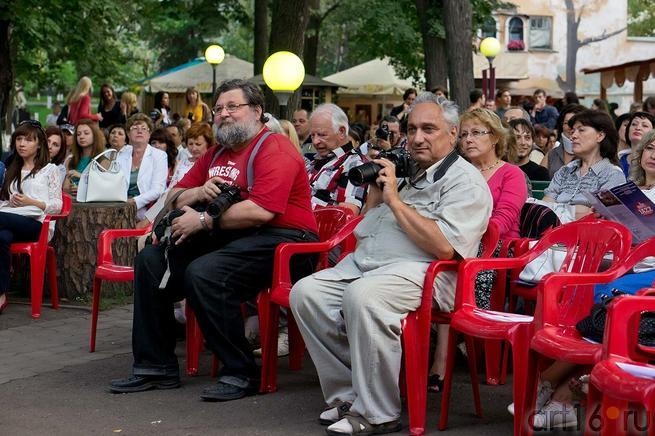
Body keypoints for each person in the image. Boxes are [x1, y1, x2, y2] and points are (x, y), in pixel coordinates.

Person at [290, 93, 492, 434]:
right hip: (369, 263)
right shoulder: (410, 172)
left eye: (429, 129)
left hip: (428, 273)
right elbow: (368, 223)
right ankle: (347, 395)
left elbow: (444, 248)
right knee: (306, 293)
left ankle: (377, 413)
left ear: (453, 133)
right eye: (411, 129)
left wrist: (396, 201)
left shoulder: (464, 181)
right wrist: (375, 195)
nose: (416, 138)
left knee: (364, 296)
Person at [108, 79, 318, 401]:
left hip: (286, 241)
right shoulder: (216, 154)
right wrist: (198, 193)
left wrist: (205, 219)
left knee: (205, 272)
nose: (223, 114)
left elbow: (261, 210)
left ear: (258, 112)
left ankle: (241, 372)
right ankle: (155, 366)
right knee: (151, 261)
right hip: (233, 234)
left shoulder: (275, 148)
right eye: (218, 108)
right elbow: (174, 196)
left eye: (233, 106)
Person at [0, 121, 62, 313]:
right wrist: (10, 203)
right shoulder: (11, 169)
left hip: (37, 225)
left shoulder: (50, 170)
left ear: (39, 144)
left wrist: (30, 202)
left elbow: (57, 206)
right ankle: (1, 294)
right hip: (11, 219)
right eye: (19, 139)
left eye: (28, 140)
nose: (22, 144)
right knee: (1, 238)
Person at [543, 109, 626, 221]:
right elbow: (543, 208)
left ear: (600, 136)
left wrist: (556, 209)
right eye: (572, 131)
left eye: (581, 130)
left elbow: (596, 218)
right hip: (552, 233)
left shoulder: (612, 174)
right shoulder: (565, 171)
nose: (573, 136)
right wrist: (577, 210)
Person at [138, 122, 213, 229]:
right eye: (190, 144)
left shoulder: (210, 162)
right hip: (173, 196)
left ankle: (147, 228)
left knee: (165, 204)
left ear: (208, 144)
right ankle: (146, 227)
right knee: (165, 199)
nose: (194, 148)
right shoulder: (184, 161)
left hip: (192, 202)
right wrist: (165, 196)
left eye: (198, 144)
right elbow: (172, 185)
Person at [306, 104, 368, 214]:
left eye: (322, 135)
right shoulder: (314, 161)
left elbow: (346, 214)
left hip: (314, 229)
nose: (315, 141)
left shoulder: (354, 165)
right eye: (312, 135)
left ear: (342, 132)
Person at [113, 114, 168, 221]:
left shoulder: (159, 155)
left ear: (149, 134)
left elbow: (158, 190)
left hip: (148, 211)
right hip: (120, 207)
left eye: (144, 128)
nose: (139, 131)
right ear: (128, 134)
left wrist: (134, 201)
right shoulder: (121, 154)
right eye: (135, 128)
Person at [540, 104, 586, 179]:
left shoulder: (591, 155)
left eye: (575, 123)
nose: (570, 127)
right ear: (562, 126)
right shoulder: (551, 155)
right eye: (567, 123)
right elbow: (539, 182)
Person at [63, 119, 106, 195]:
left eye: (86, 133)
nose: (81, 137)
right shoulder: (70, 160)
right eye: (78, 134)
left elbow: (105, 187)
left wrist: (81, 178)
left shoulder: (103, 161)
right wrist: (69, 188)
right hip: (73, 203)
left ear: (95, 135)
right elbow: (65, 189)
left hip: (94, 205)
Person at [621, 111, 655, 177]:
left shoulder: (652, 163)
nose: (637, 128)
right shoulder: (617, 160)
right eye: (634, 124)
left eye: (644, 125)